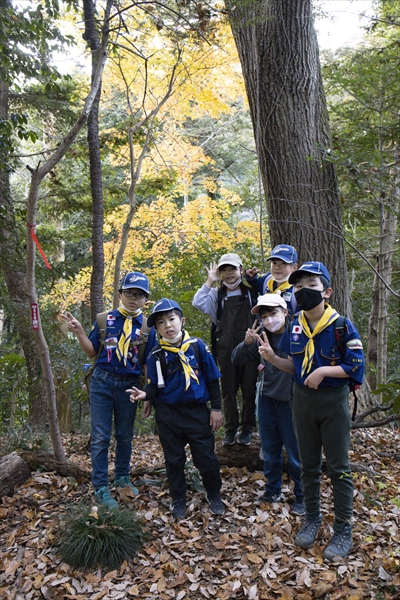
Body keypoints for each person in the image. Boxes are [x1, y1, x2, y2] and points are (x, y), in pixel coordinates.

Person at [256, 262, 364, 561]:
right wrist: (272, 358)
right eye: (299, 287)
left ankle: (343, 528)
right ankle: (312, 518)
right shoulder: (294, 325)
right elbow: (296, 367)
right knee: (308, 465)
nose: (304, 292)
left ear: (327, 291)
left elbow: (356, 366)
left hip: (333, 402)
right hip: (301, 401)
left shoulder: (342, 325)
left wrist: (324, 371)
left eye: (311, 286)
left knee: (339, 468)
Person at [63, 271, 156, 509]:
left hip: (131, 386)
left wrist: (149, 394)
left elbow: (147, 363)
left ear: (146, 299)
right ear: (120, 294)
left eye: (139, 295)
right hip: (102, 382)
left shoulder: (148, 326)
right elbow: (92, 351)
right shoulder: (105, 319)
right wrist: (80, 332)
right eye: (129, 293)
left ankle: (122, 478)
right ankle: (101, 486)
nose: (133, 298)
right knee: (101, 437)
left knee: (125, 435)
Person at [127, 298, 224, 520]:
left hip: (197, 412)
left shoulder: (198, 348)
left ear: (182, 320)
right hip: (168, 414)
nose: (168, 326)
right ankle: (178, 498)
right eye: (161, 323)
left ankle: (214, 494)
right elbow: (155, 386)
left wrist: (216, 408)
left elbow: (212, 379)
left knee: (206, 458)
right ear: (156, 329)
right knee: (174, 459)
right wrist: (144, 394)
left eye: (171, 319)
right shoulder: (155, 355)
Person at [231, 294, 304, 515]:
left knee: (295, 451)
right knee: (270, 450)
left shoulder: (297, 334)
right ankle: (273, 489)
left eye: (273, 313)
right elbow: (236, 359)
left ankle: (301, 494)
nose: (269, 319)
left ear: (285, 312)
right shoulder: (262, 336)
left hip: (291, 401)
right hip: (267, 400)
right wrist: (247, 343)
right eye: (264, 316)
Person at [192, 253, 258, 446]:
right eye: (224, 270)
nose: (229, 274)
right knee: (228, 390)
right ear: (220, 273)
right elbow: (197, 302)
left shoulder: (251, 293)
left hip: (250, 347)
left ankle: (247, 428)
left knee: (249, 389)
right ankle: (230, 429)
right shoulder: (216, 295)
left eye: (232, 269)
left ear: (240, 270)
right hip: (225, 349)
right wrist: (209, 281)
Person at [244, 244, 298, 315]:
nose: (277, 267)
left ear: (294, 267)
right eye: (274, 263)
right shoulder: (266, 280)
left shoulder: (297, 289)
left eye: (283, 263)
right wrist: (250, 276)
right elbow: (254, 283)